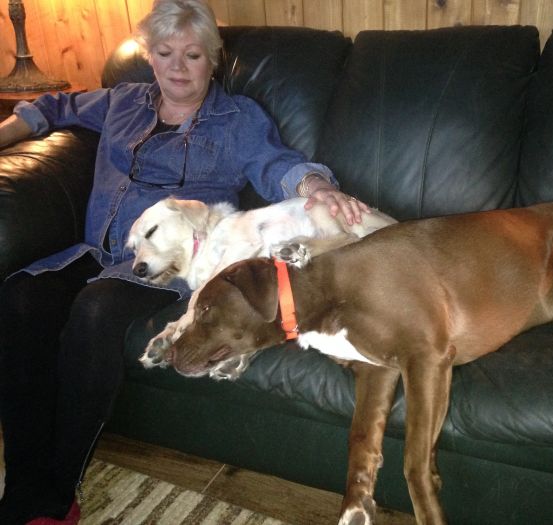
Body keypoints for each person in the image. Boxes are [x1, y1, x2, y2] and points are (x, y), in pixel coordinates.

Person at [0, 1, 368, 523]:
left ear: (212, 60)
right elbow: (55, 107)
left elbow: (278, 166)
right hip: (95, 251)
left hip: (172, 266)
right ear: (149, 56)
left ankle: (56, 496)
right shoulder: (122, 100)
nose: (177, 67)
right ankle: (23, 488)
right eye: (165, 53)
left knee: (96, 308)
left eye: (192, 55)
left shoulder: (238, 119)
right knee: (20, 296)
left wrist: (318, 187)